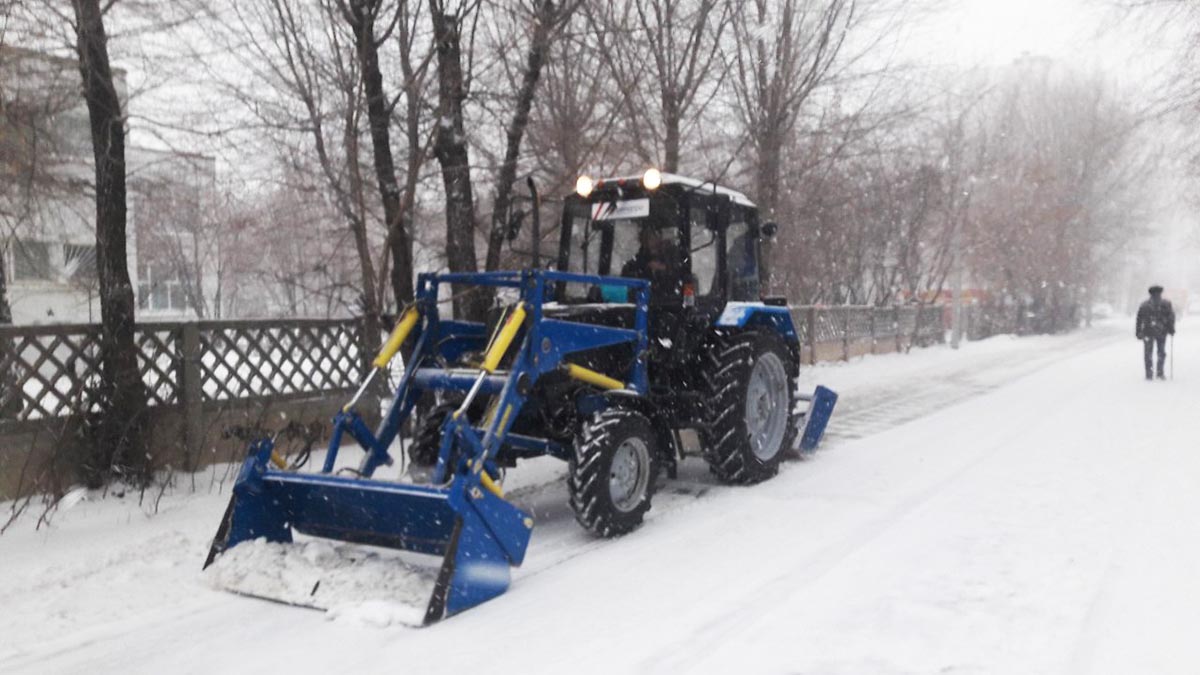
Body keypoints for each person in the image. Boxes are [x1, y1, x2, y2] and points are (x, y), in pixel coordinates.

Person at [1136, 285, 1175, 380]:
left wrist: (1138, 332)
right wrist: (1171, 329)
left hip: (1148, 332)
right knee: (1161, 352)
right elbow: (1171, 318)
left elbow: (1139, 320)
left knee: (1148, 353)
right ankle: (1159, 372)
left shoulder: (1144, 305)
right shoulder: (1166, 304)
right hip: (1161, 331)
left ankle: (1149, 373)